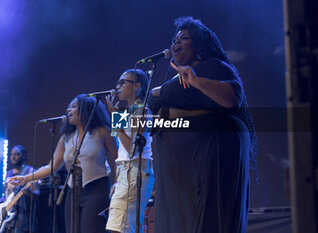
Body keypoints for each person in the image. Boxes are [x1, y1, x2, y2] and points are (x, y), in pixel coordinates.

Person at [148, 16, 258, 233]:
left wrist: (196, 81)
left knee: (206, 219)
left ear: (199, 44)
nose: (175, 43)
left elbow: (232, 98)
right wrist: (153, 94)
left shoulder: (214, 67)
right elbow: (139, 118)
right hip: (177, 167)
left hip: (205, 154)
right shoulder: (173, 80)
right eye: (174, 40)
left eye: (184, 39)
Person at [8, 95, 118, 233]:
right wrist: (25, 178)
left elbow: (118, 159)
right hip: (73, 191)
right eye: (68, 107)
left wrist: (116, 182)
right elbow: (51, 167)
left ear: (85, 109)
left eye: (74, 106)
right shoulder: (66, 138)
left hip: (97, 189)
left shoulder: (102, 131)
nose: (68, 110)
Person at [105, 69, 154, 233]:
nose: (117, 86)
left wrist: (115, 120)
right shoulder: (125, 112)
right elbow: (121, 152)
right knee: (126, 227)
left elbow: (132, 149)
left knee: (119, 227)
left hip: (136, 169)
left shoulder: (142, 110)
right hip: (126, 171)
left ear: (137, 86)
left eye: (123, 82)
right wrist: (118, 180)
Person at [0, 145, 40, 233]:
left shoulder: (30, 171)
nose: (13, 157)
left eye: (17, 154)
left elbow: (36, 194)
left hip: (22, 222)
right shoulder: (8, 174)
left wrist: (27, 192)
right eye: (12, 154)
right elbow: (5, 196)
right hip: (7, 222)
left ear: (24, 156)